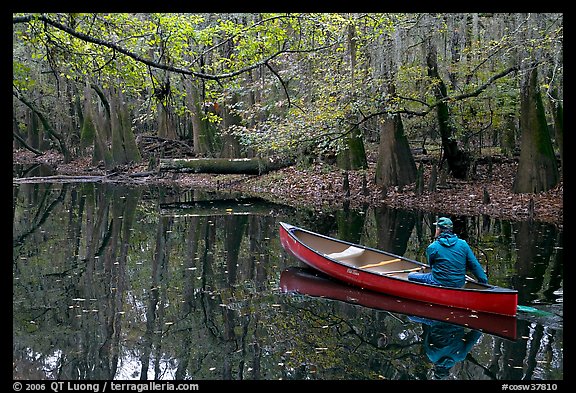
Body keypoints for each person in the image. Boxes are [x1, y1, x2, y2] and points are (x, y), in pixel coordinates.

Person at [408, 217, 488, 288]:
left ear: (438, 230)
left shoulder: (433, 247)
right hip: (459, 284)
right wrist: (484, 283)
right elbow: (474, 265)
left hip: (439, 282)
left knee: (411, 275)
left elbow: (431, 265)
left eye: (436, 228)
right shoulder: (463, 244)